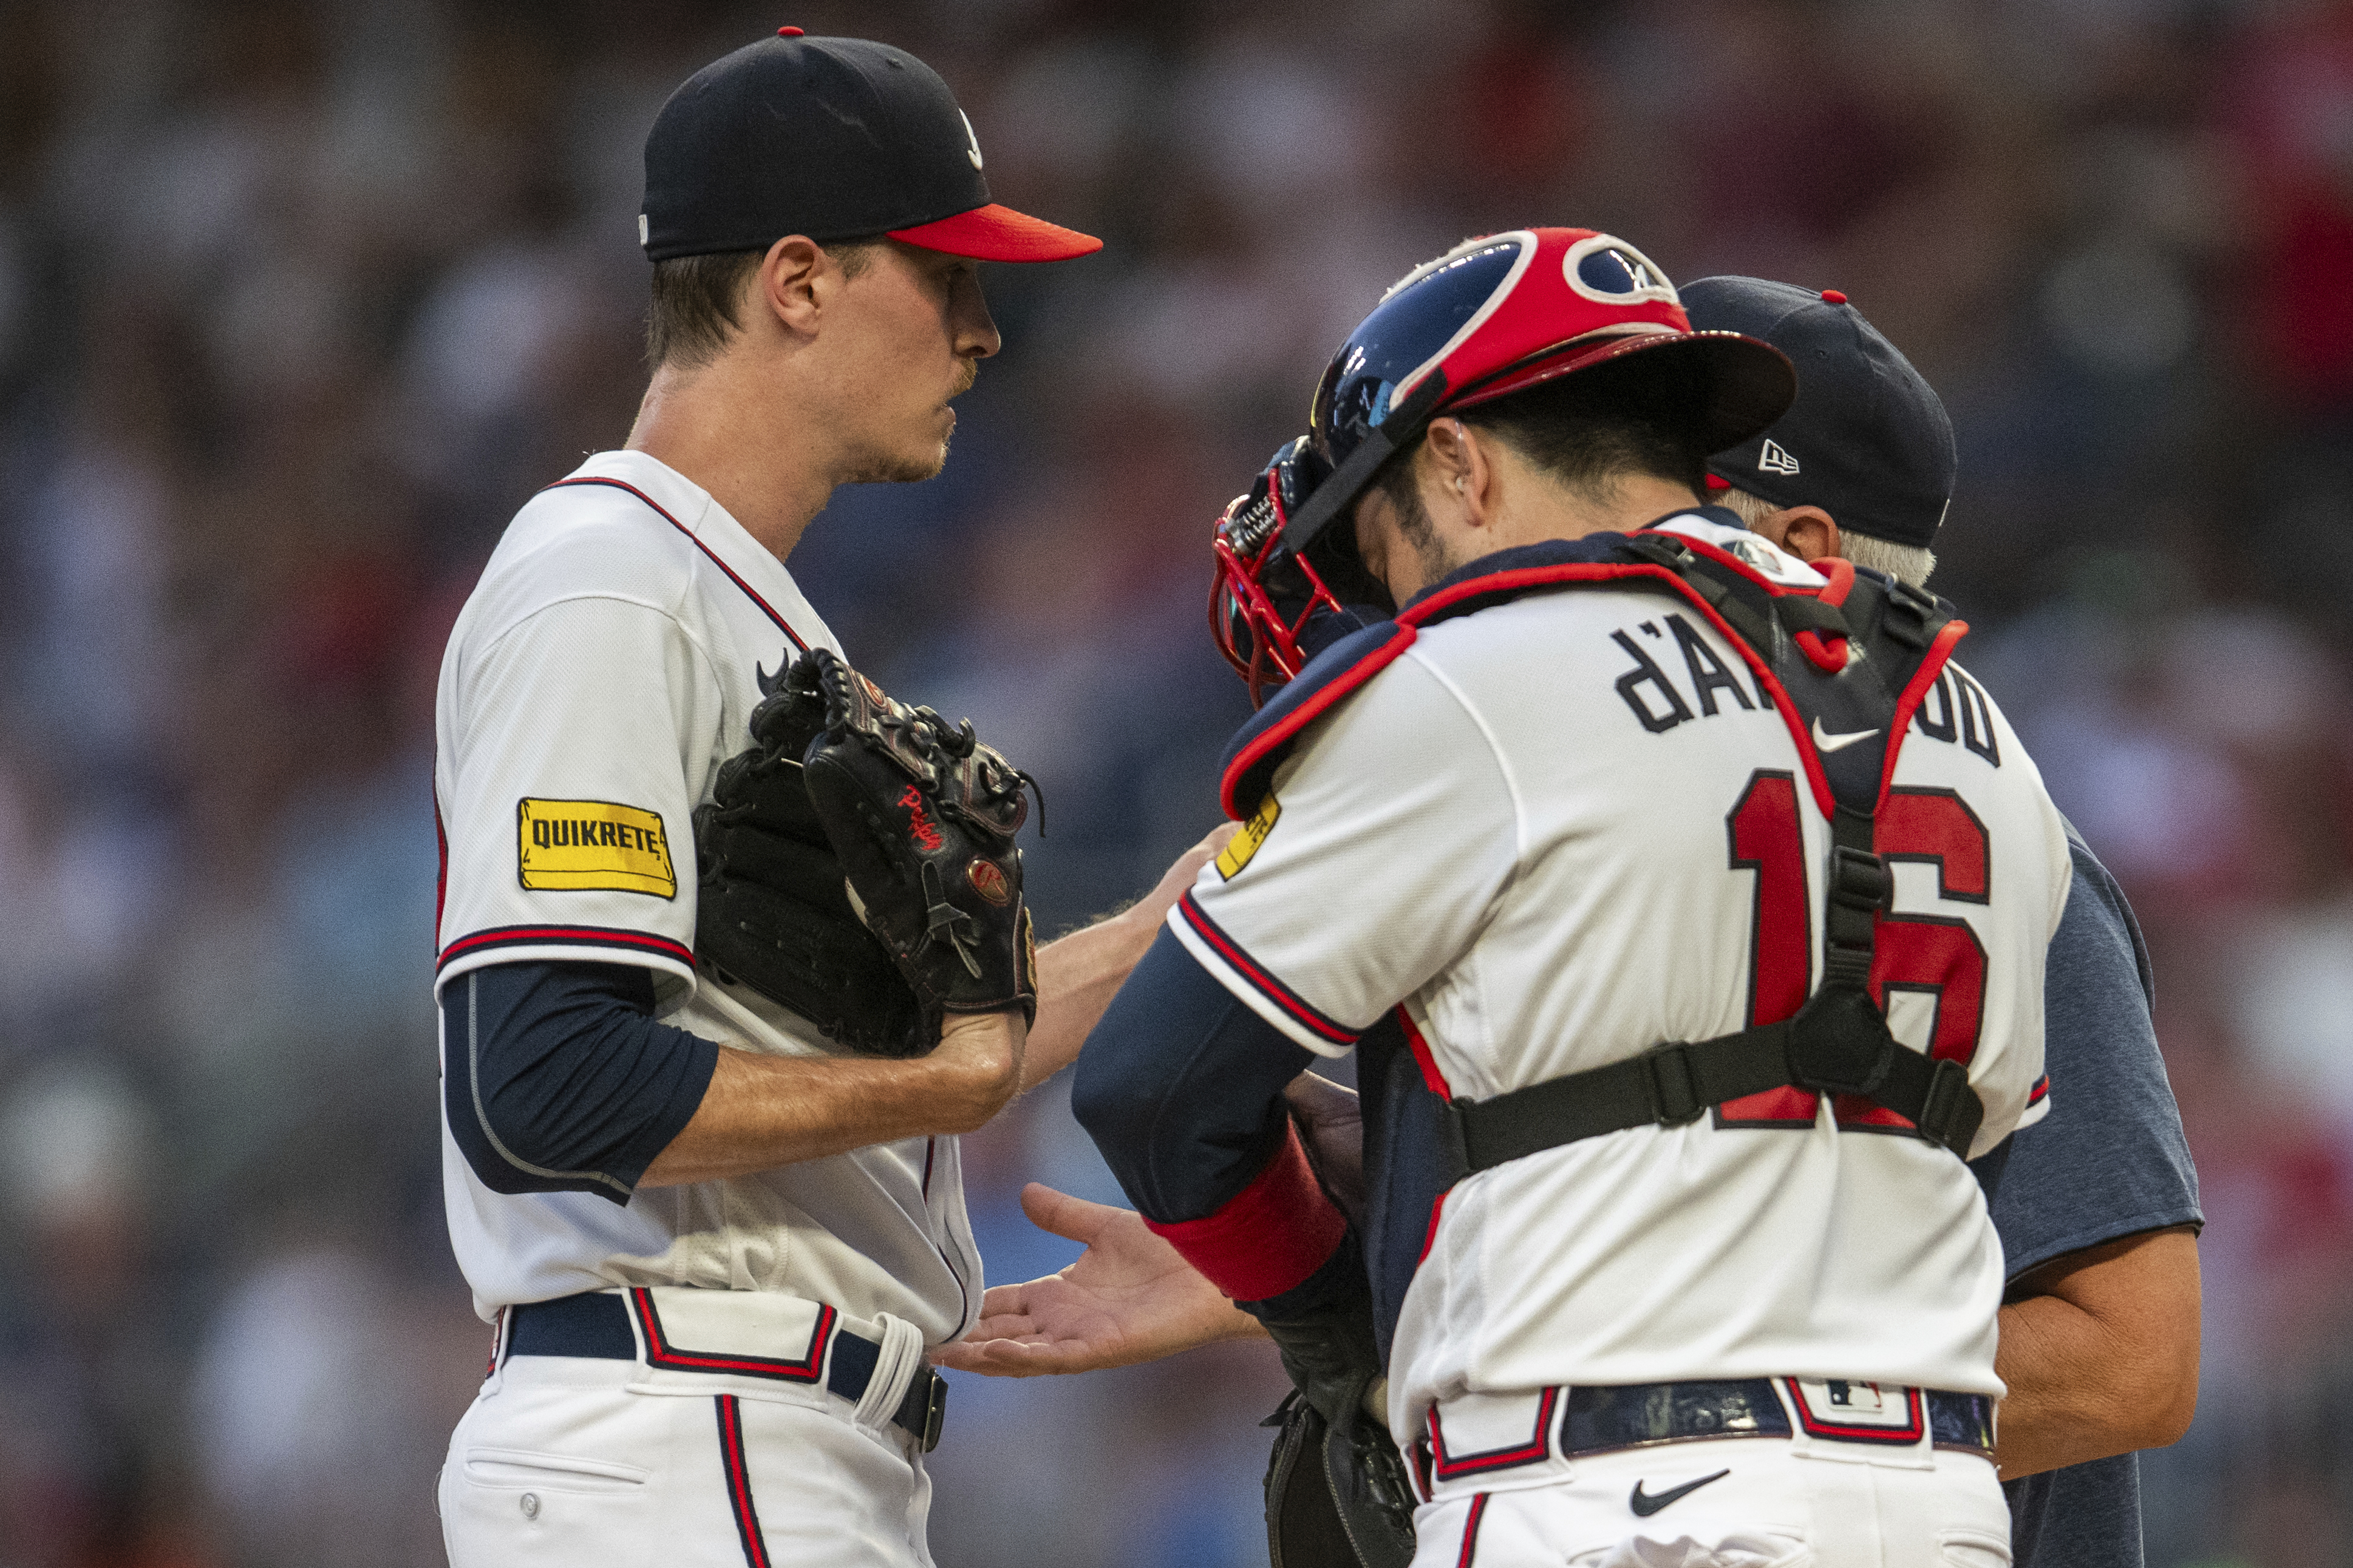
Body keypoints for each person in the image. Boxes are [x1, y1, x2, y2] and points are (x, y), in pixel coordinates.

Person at [942, 275, 2204, 1568]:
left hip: (1630, 1495)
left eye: (1673, 472)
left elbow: (2133, 1360)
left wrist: (1359, 1323)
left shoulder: (1523, 691)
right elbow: (1746, 1157)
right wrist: (1380, 1230)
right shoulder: (1990, 769)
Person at [429, 31, 1222, 1567]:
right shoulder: (610, 581)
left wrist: (1185, 915)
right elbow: (540, 1086)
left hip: (749, 1437)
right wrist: (953, 1087)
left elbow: (897, 1043)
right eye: (946, 278)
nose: (984, 332)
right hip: (679, 1429)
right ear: (797, 282)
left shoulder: (745, 608)